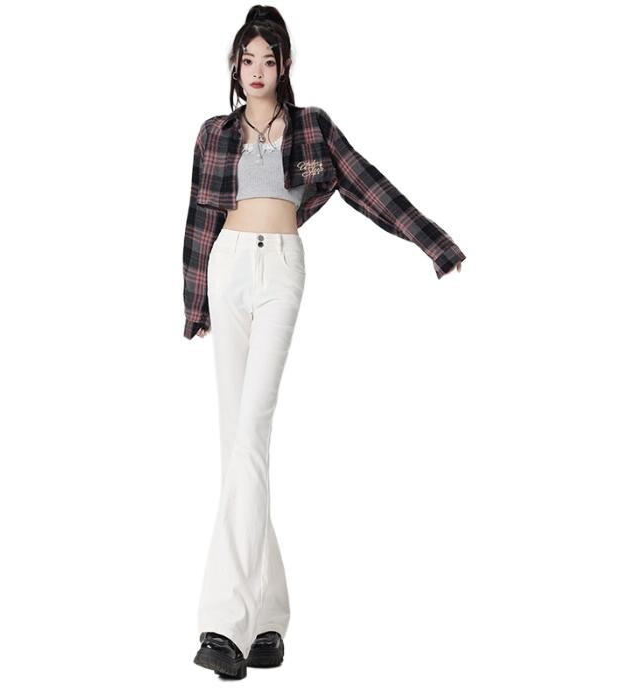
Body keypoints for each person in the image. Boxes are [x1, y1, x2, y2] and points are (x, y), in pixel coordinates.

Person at [185, 6, 466, 679]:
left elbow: (367, 184)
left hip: (281, 268)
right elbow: (198, 214)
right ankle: (269, 620)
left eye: (268, 59)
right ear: (234, 65)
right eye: (246, 59)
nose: (256, 71)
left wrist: (433, 242)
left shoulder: (312, 127)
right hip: (227, 267)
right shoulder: (213, 133)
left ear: (285, 65)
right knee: (237, 443)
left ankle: (224, 624)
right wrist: (195, 304)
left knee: (250, 432)